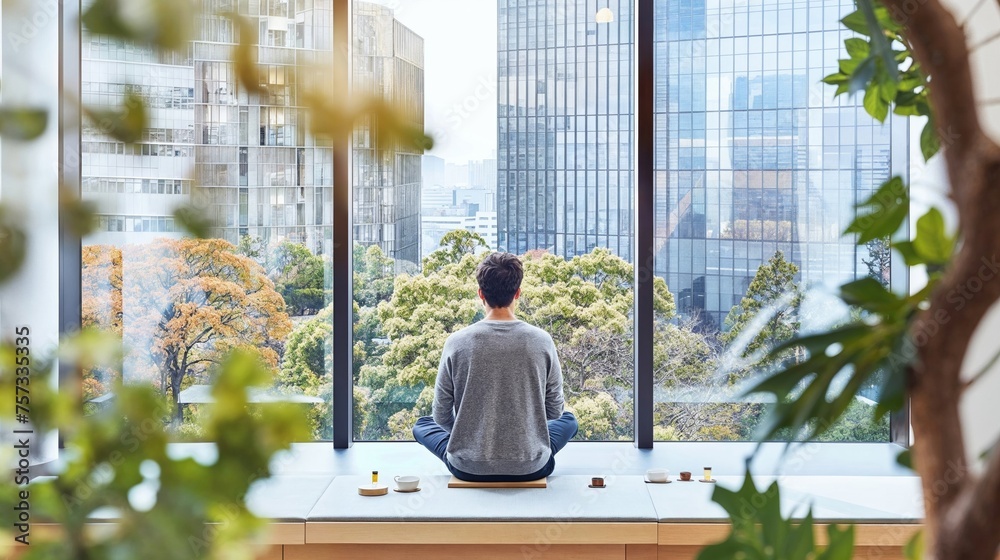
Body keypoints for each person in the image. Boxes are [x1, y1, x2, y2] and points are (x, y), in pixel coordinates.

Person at [412, 252, 578, 481]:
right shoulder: (542, 340)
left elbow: (440, 417)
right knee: (569, 420)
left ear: (481, 294)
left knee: (423, 424)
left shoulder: (456, 342)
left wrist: (469, 438)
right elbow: (554, 412)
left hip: (468, 467)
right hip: (531, 467)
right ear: (517, 293)